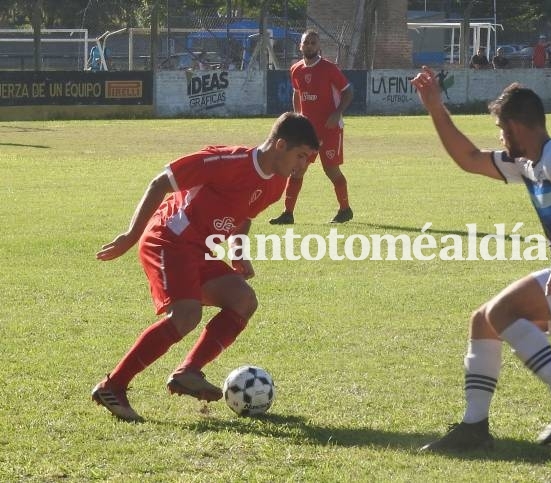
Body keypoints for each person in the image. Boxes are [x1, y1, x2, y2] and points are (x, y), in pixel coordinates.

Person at [410, 67, 551, 451]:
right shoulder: (528, 161)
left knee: (501, 312)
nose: (499, 136)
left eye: (500, 128)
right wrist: (435, 109)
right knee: (484, 321)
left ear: (516, 125)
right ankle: (474, 427)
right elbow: (470, 159)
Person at [91, 112, 319, 422]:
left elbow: (244, 216)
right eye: (301, 155)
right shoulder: (225, 162)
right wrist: (131, 236)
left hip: (197, 250)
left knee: (244, 300)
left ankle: (188, 372)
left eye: (308, 158)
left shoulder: (276, 184)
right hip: (168, 239)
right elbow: (162, 182)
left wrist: (238, 253)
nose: (303, 165)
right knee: (186, 315)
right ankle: (112, 386)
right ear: (280, 145)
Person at [269, 29, 355, 225]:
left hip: (330, 129)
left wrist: (337, 113)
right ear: (300, 46)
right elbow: (297, 93)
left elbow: (348, 91)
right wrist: (298, 116)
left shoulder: (329, 68)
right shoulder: (296, 69)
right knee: (297, 169)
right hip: (307, 131)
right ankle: (287, 214)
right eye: (306, 43)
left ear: (319, 46)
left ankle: (345, 209)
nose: (309, 46)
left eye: (313, 43)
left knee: (331, 171)